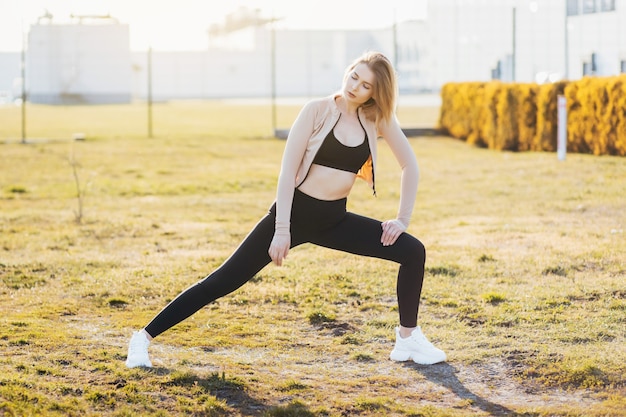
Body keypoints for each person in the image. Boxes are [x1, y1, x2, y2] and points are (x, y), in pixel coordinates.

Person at [125, 51, 446, 368]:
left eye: (365, 85)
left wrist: (402, 219)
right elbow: (287, 171)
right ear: (347, 72)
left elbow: (410, 166)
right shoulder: (316, 110)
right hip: (293, 216)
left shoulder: (375, 120)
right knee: (223, 280)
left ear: (375, 93)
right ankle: (143, 337)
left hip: (335, 220)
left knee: (412, 251)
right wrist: (281, 231)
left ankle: (407, 339)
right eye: (354, 76)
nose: (355, 86)